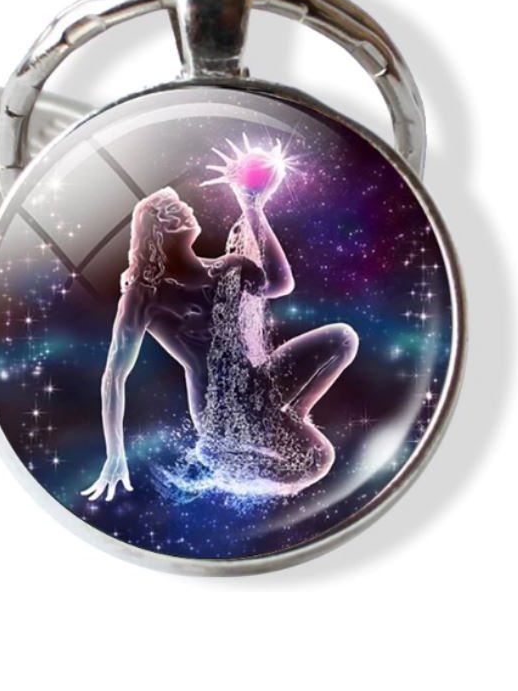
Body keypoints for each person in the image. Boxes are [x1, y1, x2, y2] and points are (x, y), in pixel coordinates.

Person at [81, 139, 358, 502]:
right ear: (159, 229)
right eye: (174, 209)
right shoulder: (145, 294)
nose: (187, 209)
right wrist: (115, 452)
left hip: (257, 384)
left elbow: (280, 284)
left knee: (342, 338)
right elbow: (114, 376)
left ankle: (287, 417)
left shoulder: (227, 268)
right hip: (218, 409)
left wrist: (252, 206)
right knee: (317, 461)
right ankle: (220, 458)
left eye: (181, 205)